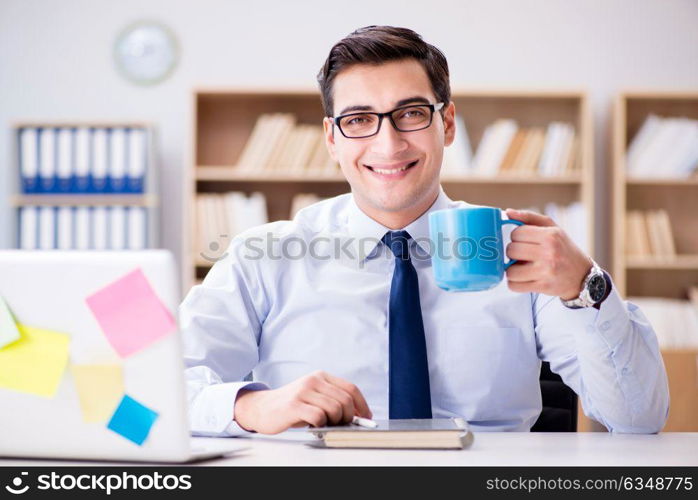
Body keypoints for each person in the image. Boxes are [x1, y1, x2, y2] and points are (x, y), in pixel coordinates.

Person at [180, 26, 669, 436]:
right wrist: (249, 406)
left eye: (411, 114)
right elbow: (148, 393)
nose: (388, 143)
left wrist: (586, 287)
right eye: (359, 120)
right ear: (332, 138)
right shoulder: (264, 256)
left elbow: (639, 420)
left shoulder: (518, 250)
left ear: (448, 123)